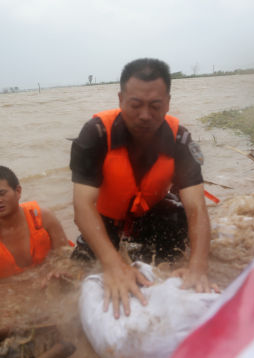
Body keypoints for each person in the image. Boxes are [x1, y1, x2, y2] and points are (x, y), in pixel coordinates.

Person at [69, 58, 216, 319]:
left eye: (155, 106)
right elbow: (82, 207)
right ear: (120, 98)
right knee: (78, 272)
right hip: (105, 220)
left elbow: (196, 207)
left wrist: (199, 266)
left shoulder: (181, 140)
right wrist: (113, 265)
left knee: (176, 225)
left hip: (153, 215)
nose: (145, 115)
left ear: (168, 103)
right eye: (135, 105)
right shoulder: (95, 135)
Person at [0, 165, 70, 282]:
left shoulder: (44, 218)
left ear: (18, 191)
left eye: (1, 193)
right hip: (9, 296)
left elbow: (66, 257)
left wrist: (58, 272)